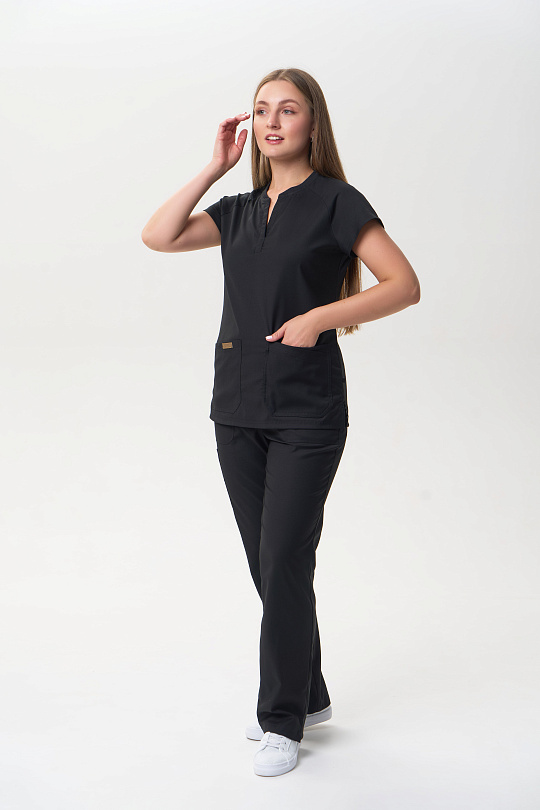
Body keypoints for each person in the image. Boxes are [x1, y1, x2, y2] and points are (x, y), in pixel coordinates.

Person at [141, 67, 420, 777]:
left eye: (287, 110)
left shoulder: (336, 202)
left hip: (307, 411)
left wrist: (320, 318)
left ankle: (281, 719)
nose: (271, 121)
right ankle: (310, 692)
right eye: (261, 110)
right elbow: (158, 236)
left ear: (312, 124)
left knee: (284, 559)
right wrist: (215, 166)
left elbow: (404, 284)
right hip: (236, 406)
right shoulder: (236, 210)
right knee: (267, 565)